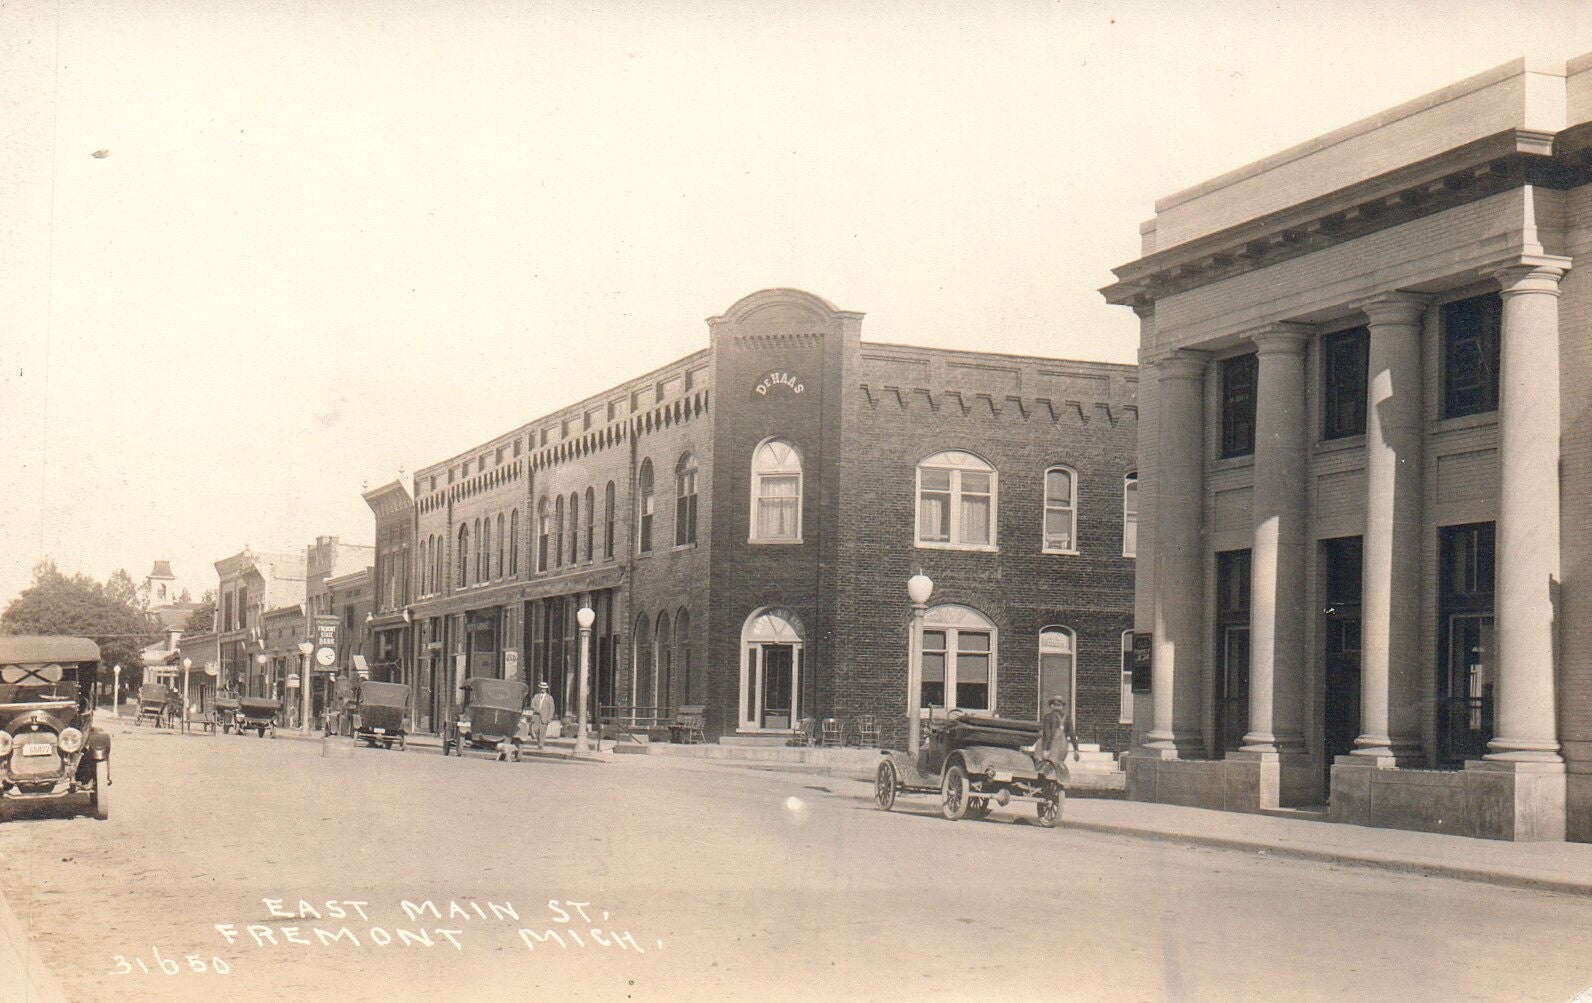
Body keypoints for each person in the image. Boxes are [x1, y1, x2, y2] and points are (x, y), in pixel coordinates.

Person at [1034, 694, 1081, 809]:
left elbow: (1047, 734)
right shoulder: (1067, 718)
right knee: (1057, 764)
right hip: (1063, 748)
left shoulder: (1048, 717)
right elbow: (1072, 734)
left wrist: (1046, 749)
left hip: (1052, 747)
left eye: (1057, 705)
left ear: (1052, 706)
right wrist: (1076, 749)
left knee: (1041, 762)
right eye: (1056, 705)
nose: (1056, 707)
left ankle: (1040, 781)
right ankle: (1052, 779)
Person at [528, 681, 557, 751]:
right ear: (539, 688)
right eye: (541, 688)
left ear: (546, 689)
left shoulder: (549, 698)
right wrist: (537, 710)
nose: (543, 689)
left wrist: (550, 718)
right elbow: (532, 705)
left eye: (544, 688)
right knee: (535, 730)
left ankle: (540, 745)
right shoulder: (536, 696)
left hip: (545, 718)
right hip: (536, 716)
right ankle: (539, 741)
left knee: (543, 732)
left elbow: (552, 708)